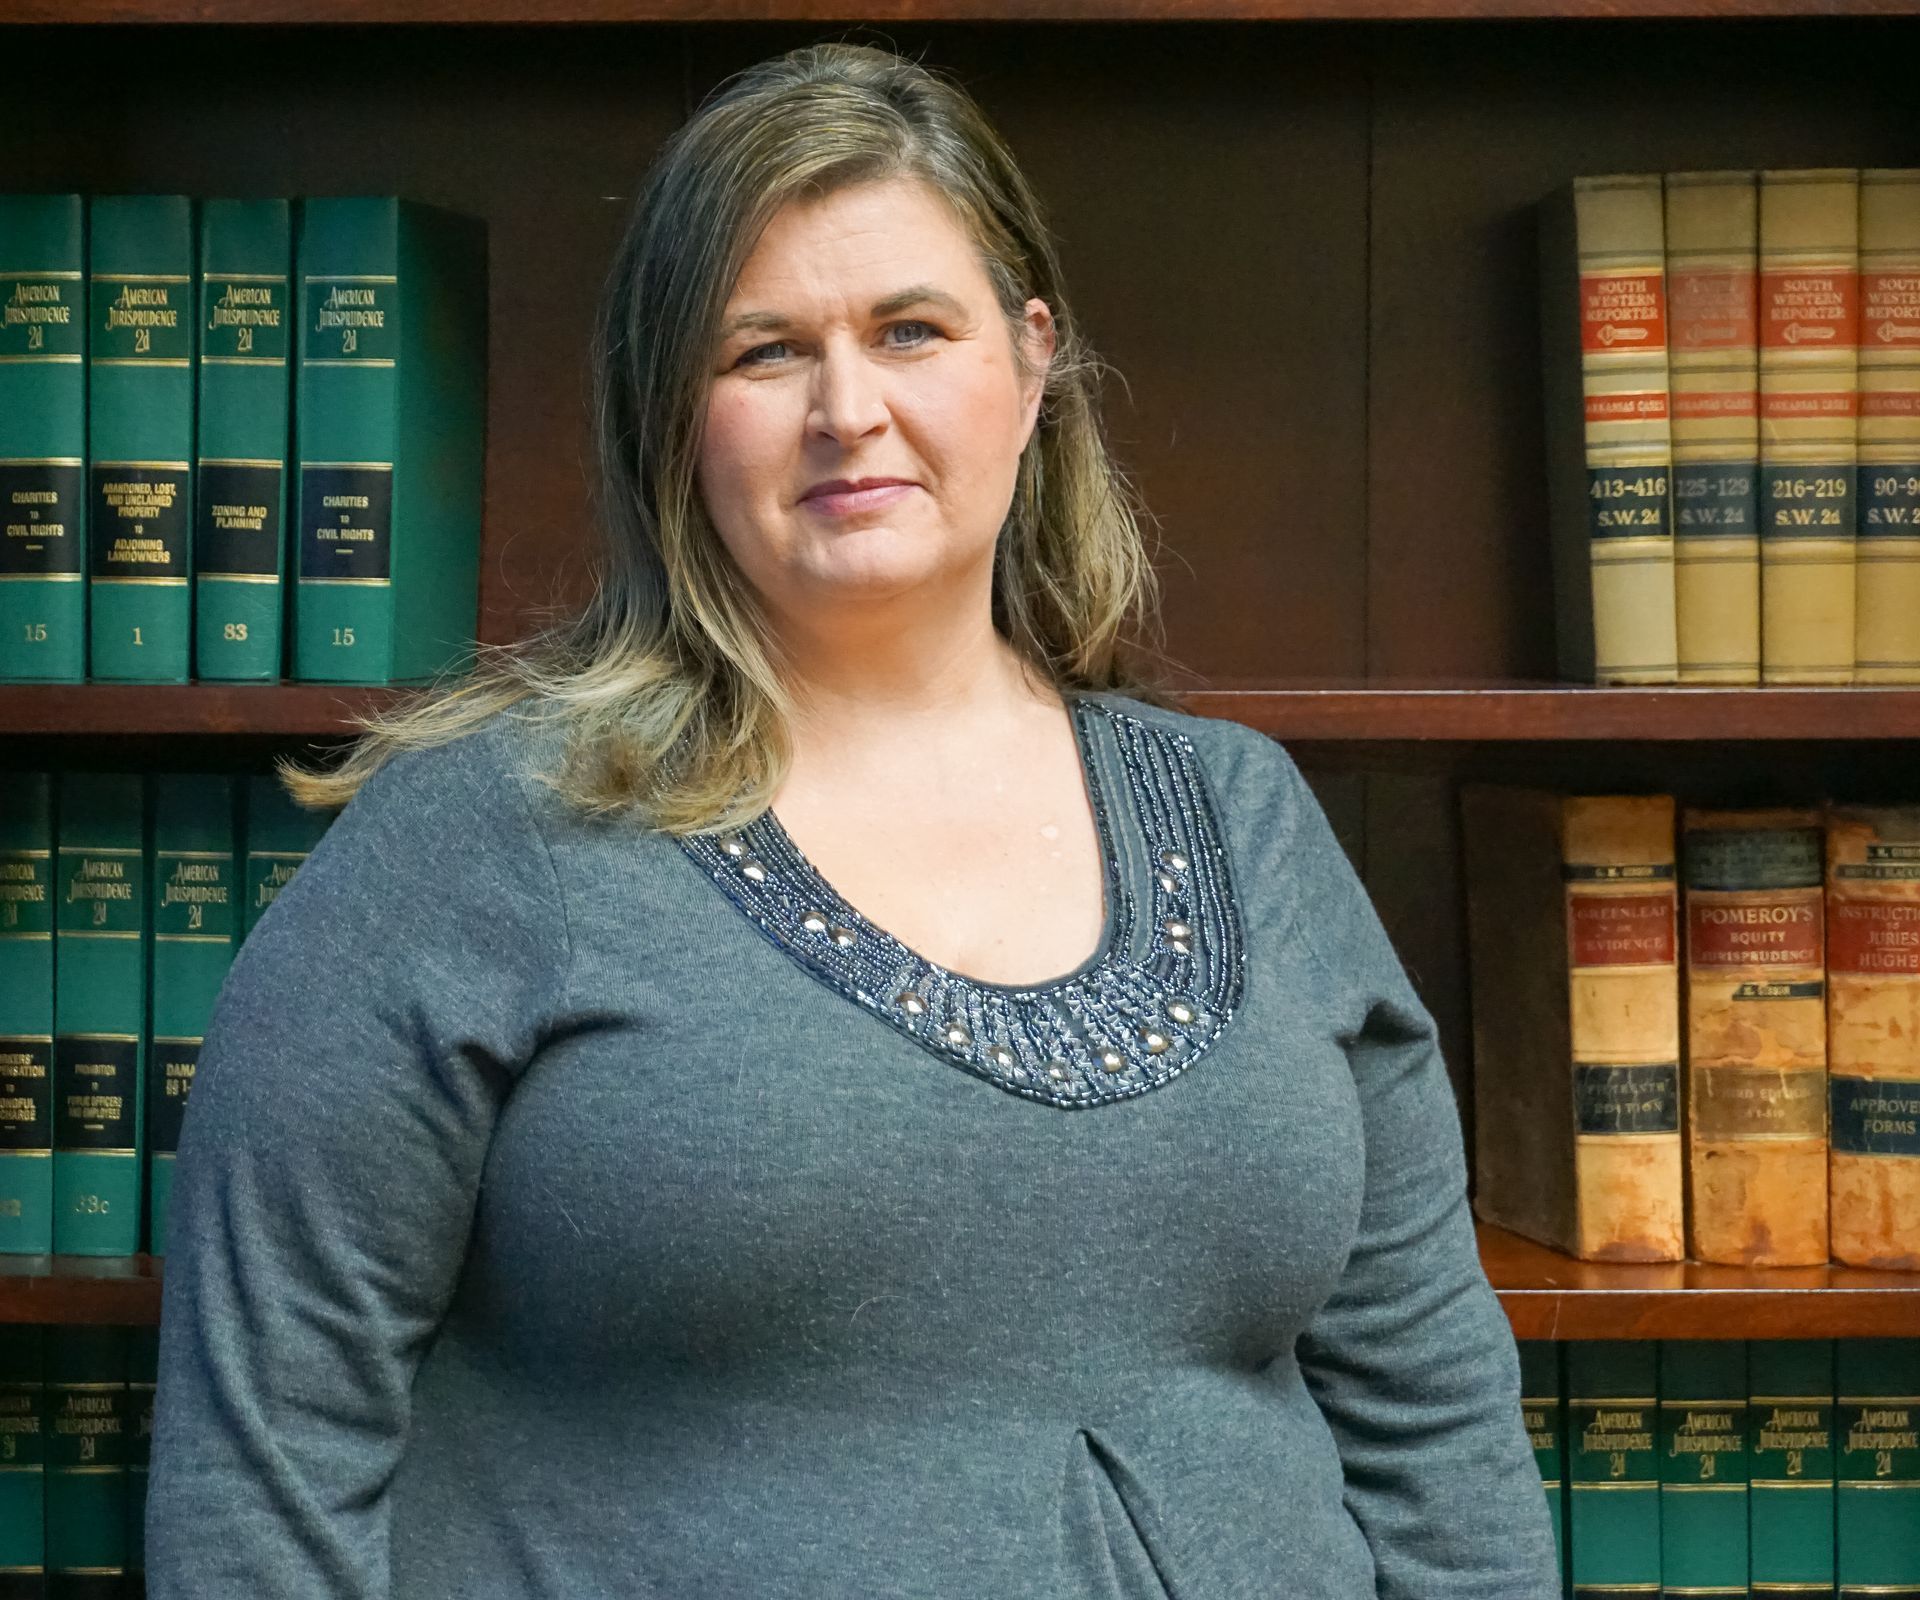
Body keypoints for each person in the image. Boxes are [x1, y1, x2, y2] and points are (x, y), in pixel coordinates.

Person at [146, 41, 1561, 1600]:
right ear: (674, 414)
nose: (848, 410)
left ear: (1030, 366)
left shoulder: (1242, 815)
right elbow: (265, 1460)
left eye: (910, 330)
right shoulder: (482, 836)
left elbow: (1435, 1421)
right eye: (764, 351)